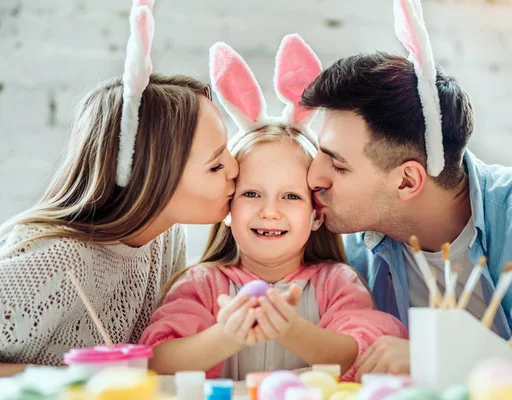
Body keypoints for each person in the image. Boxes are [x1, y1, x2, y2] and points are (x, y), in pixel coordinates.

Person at [301, 0, 512, 379]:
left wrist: (445, 361)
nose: (314, 177)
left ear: (408, 180)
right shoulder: (358, 255)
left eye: (338, 164)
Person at [140, 35, 407, 382]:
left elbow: (359, 353)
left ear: (315, 214)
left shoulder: (336, 283)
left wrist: (290, 330)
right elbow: (156, 359)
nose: (270, 211)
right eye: (252, 194)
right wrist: (226, 337)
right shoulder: (202, 284)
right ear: (228, 207)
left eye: (291, 197)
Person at [0, 1, 238, 375]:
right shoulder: (54, 261)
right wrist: (66, 379)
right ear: (152, 175)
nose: (235, 170)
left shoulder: (165, 238)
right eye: (216, 163)